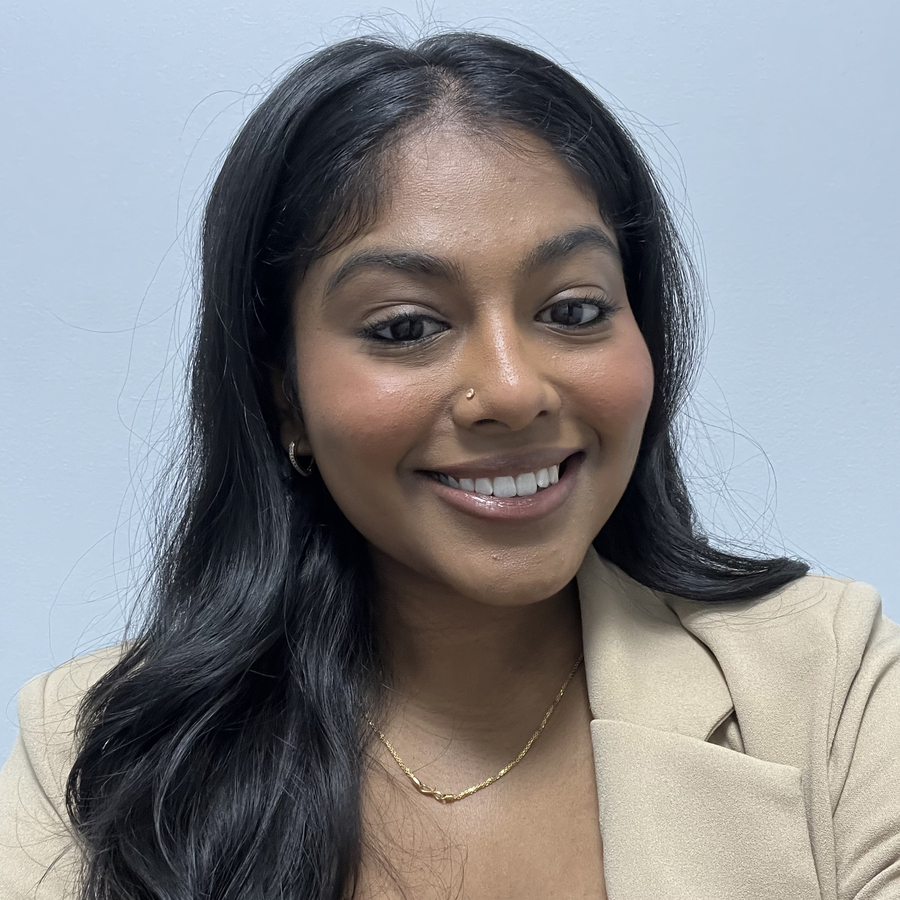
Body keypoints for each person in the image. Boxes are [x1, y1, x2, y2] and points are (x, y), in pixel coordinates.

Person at [0, 30, 897, 900]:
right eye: (405, 327)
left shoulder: (827, 681)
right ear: (284, 397)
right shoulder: (94, 750)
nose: (512, 390)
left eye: (576, 310)